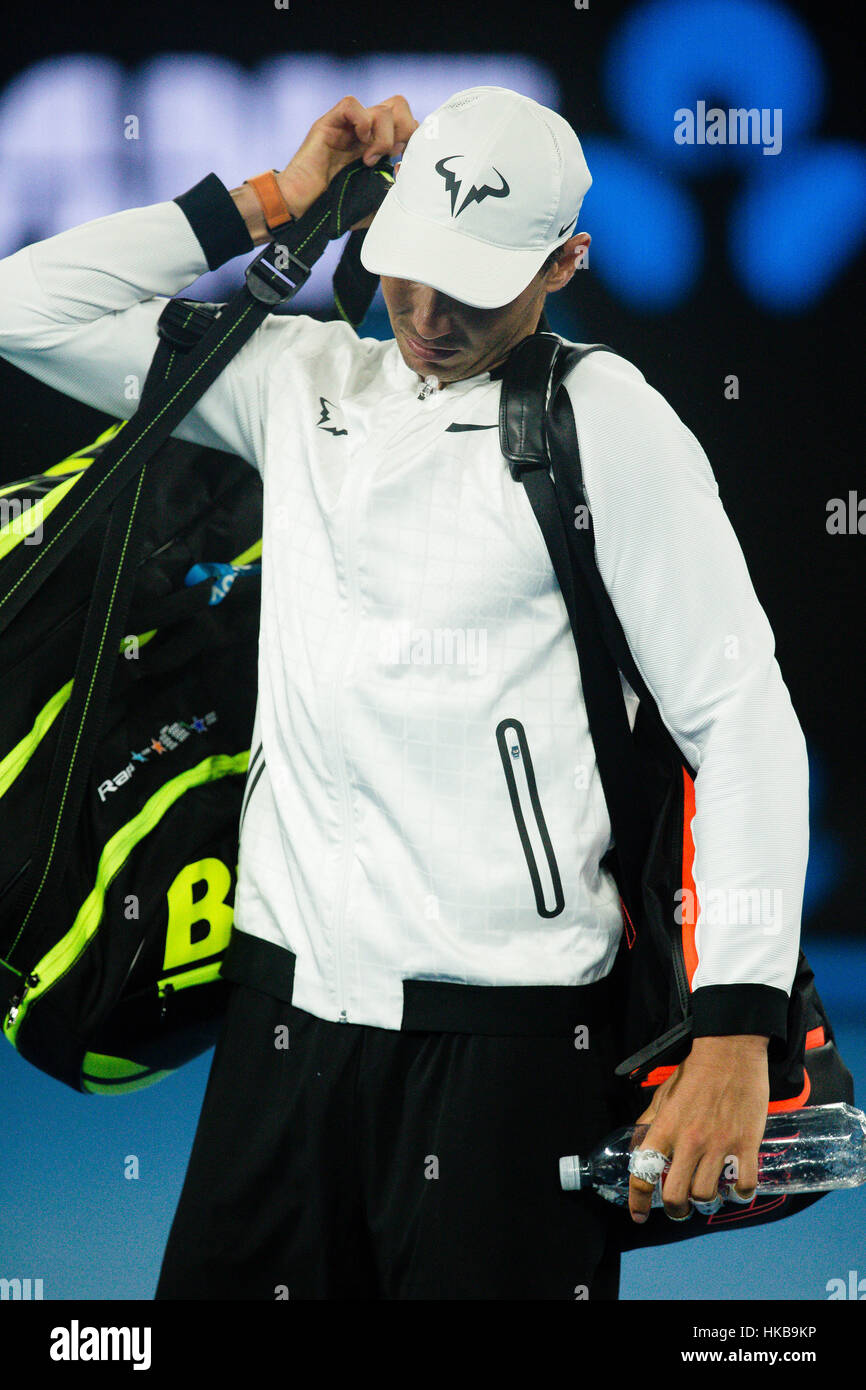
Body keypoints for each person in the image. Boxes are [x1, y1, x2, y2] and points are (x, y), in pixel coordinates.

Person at [0, 85, 808, 1300]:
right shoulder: (297, 379)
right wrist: (267, 202)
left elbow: (740, 716)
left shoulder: (606, 422)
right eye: (404, 269)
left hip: (512, 1049)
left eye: (471, 284)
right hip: (284, 1023)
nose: (425, 315)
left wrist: (736, 1026)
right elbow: (22, 309)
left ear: (562, 264)